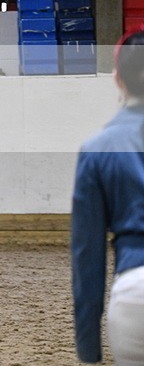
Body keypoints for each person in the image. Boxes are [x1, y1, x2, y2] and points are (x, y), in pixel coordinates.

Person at [72, 30, 144, 364]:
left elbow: (87, 255)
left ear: (118, 78)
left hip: (135, 290)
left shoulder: (97, 149)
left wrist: (88, 348)